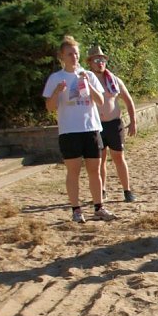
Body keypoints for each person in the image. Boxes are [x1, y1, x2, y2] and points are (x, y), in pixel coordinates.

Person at [42, 35, 116, 223]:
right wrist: (58, 91)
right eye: (70, 54)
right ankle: (76, 210)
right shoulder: (56, 78)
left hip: (90, 127)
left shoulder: (88, 74)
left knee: (95, 170)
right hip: (69, 130)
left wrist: (89, 84)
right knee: (73, 171)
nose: (74, 57)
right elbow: (49, 107)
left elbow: (100, 101)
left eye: (76, 53)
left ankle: (99, 207)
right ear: (62, 56)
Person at [86, 45, 137, 203]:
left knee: (118, 157)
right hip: (96, 125)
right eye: (96, 60)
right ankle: (102, 190)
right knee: (99, 160)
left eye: (102, 60)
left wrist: (133, 121)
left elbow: (128, 101)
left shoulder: (114, 80)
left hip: (114, 124)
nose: (100, 62)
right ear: (90, 63)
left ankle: (127, 190)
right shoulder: (86, 80)